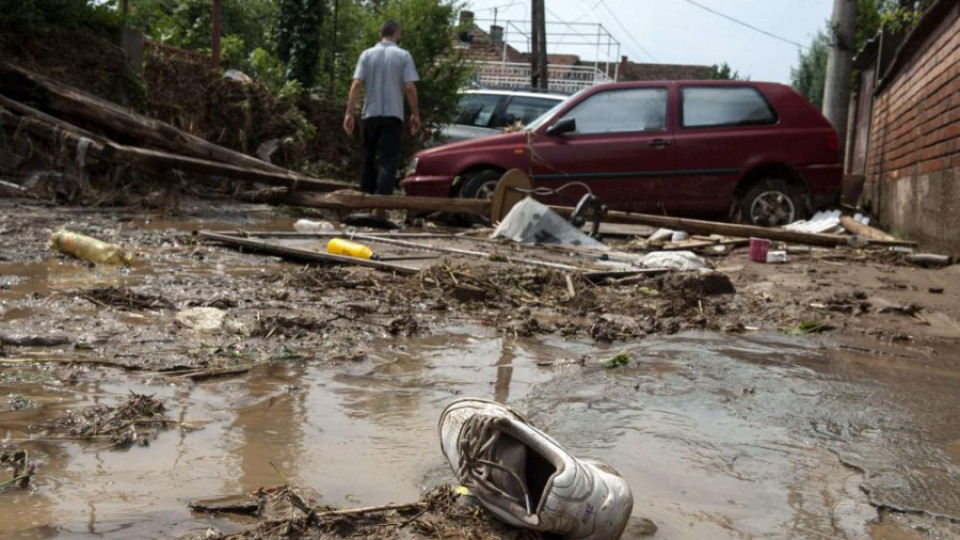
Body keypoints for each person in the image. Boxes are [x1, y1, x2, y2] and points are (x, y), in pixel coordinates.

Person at [343, 20, 421, 195]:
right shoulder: (404, 56)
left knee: (368, 156)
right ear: (397, 34)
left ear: (380, 34)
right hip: (393, 115)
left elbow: (356, 84)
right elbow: (409, 87)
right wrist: (415, 114)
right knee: (389, 159)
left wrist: (349, 113)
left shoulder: (366, 55)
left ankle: (366, 197)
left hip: (370, 113)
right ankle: (381, 204)